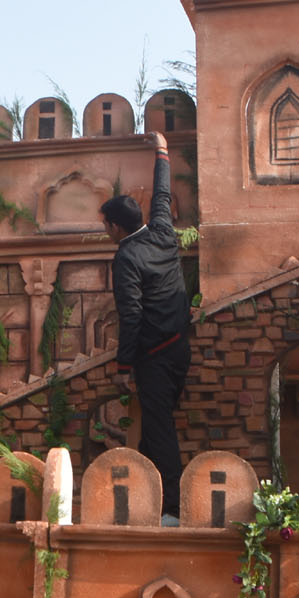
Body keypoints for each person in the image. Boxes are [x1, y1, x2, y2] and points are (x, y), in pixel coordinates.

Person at [101, 132, 191, 523]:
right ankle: (153, 498)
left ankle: (172, 508)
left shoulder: (126, 259)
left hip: (153, 357)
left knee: (161, 428)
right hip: (180, 348)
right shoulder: (162, 232)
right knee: (155, 427)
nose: (106, 232)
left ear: (117, 228)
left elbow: (131, 314)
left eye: (106, 225)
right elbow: (162, 196)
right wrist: (162, 152)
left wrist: (123, 368)